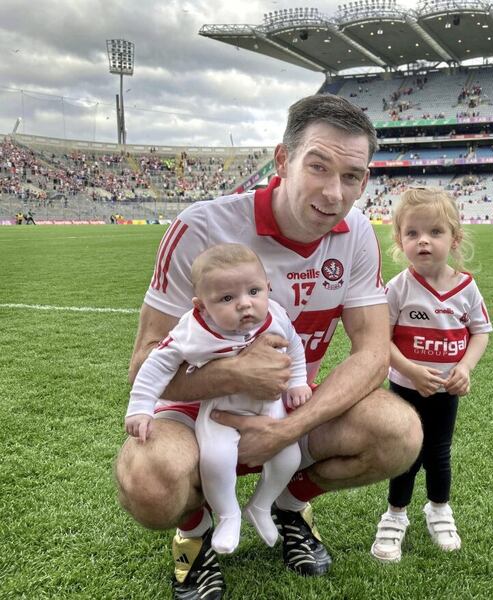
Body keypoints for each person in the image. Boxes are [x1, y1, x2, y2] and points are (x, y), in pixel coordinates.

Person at [114, 94, 423, 600]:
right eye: (318, 167)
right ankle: (194, 534)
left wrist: (287, 429)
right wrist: (235, 374)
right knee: (147, 480)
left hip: (287, 404)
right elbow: (144, 361)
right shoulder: (202, 228)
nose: (333, 192)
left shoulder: (358, 233)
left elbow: (372, 353)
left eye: (352, 176)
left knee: (400, 432)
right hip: (194, 414)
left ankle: (287, 504)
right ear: (282, 161)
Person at [125, 243, 311, 556]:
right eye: (226, 298)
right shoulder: (193, 329)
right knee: (216, 459)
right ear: (201, 306)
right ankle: (228, 515)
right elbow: (156, 364)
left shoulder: (276, 314)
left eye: (253, 291)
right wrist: (141, 407)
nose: (244, 305)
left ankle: (261, 506)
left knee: (288, 457)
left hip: (269, 405)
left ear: (268, 288)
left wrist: (297, 381)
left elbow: (294, 345)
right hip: (220, 410)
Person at [370, 188, 491, 563]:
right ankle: (395, 514)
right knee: (405, 454)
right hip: (406, 388)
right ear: (399, 240)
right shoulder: (397, 288)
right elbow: (381, 339)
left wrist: (465, 368)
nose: (423, 240)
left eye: (435, 232)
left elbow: (480, 332)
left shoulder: (466, 287)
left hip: (445, 391)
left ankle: (438, 509)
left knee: (439, 453)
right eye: (413, 233)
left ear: (454, 239)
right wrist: (408, 369)